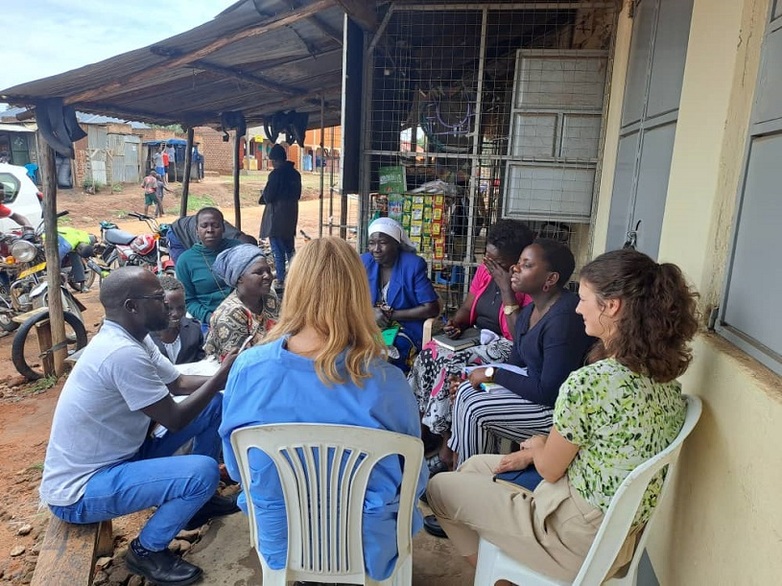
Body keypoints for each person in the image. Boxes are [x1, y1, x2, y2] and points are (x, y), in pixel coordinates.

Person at [426, 249, 700, 582]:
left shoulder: (591, 382)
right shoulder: (664, 383)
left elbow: (549, 468)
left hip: (572, 537)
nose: (578, 308)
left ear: (612, 306)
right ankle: (503, 570)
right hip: (616, 534)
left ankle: (503, 576)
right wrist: (534, 452)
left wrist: (539, 447)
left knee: (440, 487)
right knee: (473, 467)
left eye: (584, 300)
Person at [219, 237, 428, 581]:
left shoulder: (249, 369)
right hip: (369, 547)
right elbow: (413, 478)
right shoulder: (387, 382)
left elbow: (239, 468)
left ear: (295, 290)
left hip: (282, 541)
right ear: (359, 294)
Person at [39, 267, 241, 586]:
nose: (169, 306)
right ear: (132, 306)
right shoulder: (121, 353)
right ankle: (146, 551)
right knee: (202, 471)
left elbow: (178, 382)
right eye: (159, 299)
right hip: (81, 489)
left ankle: (198, 504)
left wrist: (234, 377)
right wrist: (220, 376)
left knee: (213, 405)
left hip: (122, 456)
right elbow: (173, 418)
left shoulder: (133, 338)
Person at [447, 239, 595, 469]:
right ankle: (465, 471)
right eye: (517, 263)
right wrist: (473, 379)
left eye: (526, 265)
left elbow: (548, 392)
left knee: (473, 406)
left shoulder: (563, 319)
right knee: (466, 391)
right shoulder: (528, 312)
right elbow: (515, 364)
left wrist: (490, 372)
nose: (514, 269)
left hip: (558, 413)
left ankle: (470, 476)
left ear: (550, 279)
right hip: (536, 395)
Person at [407, 219, 534, 470]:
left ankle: (447, 448)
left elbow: (519, 334)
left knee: (451, 364)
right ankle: (422, 432)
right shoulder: (486, 271)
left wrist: (506, 287)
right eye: (487, 256)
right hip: (476, 336)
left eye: (496, 261)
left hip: (509, 346)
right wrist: (457, 323)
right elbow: (467, 307)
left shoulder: (527, 282)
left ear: (516, 261)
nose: (488, 263)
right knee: (428, 354)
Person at [361, 217, 440, 372]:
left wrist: (390, 315)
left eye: (382, 242)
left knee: (386, 357)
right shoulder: (364, 262)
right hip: (369, 325)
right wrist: (369, 313)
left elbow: (431, 308)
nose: (376, 249)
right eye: (372, 243)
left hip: (405, 327)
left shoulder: (412, 265)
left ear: (396, 243)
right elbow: (349, 299)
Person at [204, 244, 280, 361]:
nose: (268, 276)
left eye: (268, 271)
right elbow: (239, 364)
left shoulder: (269, 296)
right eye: (259, 272)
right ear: (239, 278)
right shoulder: (229, 315)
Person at [175, 207, 242, 329]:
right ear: (196, 230)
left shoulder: (238, 250)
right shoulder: (185, 261)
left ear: (223, 228)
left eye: (215, 225)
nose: (210, 230)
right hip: (210, 319)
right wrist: (210, 318)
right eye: (204, 226)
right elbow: (189, 300)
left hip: (243, 312)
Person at [258, 144, 301, 289]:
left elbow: (269, 196)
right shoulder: (296, 174)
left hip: (277, 216)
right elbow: (298, 195)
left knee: (277, 250)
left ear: (275, 160)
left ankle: (281, 279)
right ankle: (297, 277)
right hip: (291, 215)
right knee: (290, 248)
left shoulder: (276, 174)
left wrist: (263, 195)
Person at [150, 275, 206, 365]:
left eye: (181, 308)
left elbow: (201, 363)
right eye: (168, 308)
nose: (176, 314)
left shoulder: (194, 330)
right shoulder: (143, 337)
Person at [167, 214, 249, 263]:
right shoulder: (208, 236)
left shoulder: (233, 235)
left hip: (189, 228)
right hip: (176, 234)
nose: (210, 230)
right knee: (186, 267)